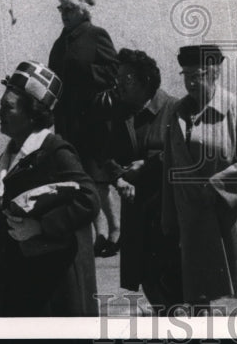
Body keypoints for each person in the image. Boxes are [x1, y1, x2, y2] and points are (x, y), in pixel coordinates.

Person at [161, 44, 237, 314]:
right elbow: (169, 170)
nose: (190, 82)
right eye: (186, 75)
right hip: (194, 216)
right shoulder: (176, 113)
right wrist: (169, 218)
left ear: (213, 74)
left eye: (197, 75)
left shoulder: (231, 108)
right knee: (199, 288)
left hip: (234, 214)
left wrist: (218, 185)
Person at [0, 61, 99, 316]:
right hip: (16, 292)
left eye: (8, 107)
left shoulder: (55, 152)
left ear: (32, 114)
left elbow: (89, 200)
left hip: (52, 295)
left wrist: (42, 226)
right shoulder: (8, 158)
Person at [101, 48, 182, 314]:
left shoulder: (174, 110)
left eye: (126, 79)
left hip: (169, 211)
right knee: (148, 277)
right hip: (137, 213)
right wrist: (118, 180)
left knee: (179, 281)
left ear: (145, 81)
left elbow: (186, 156)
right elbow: (106, 155)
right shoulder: (119, 114)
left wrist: (147, 166)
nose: (118, 85)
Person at [46, 0, 120, 258]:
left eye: (69, 10)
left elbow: (113, 70)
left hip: (92, 120)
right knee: (79, 180)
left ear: (83, 11)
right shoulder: (60, 42)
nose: (64, 15)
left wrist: (84, 73)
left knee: (99, 179)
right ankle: (96, 233)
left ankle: (115, 231)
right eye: (61, 10)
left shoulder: (95, 35)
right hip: (68, 121)